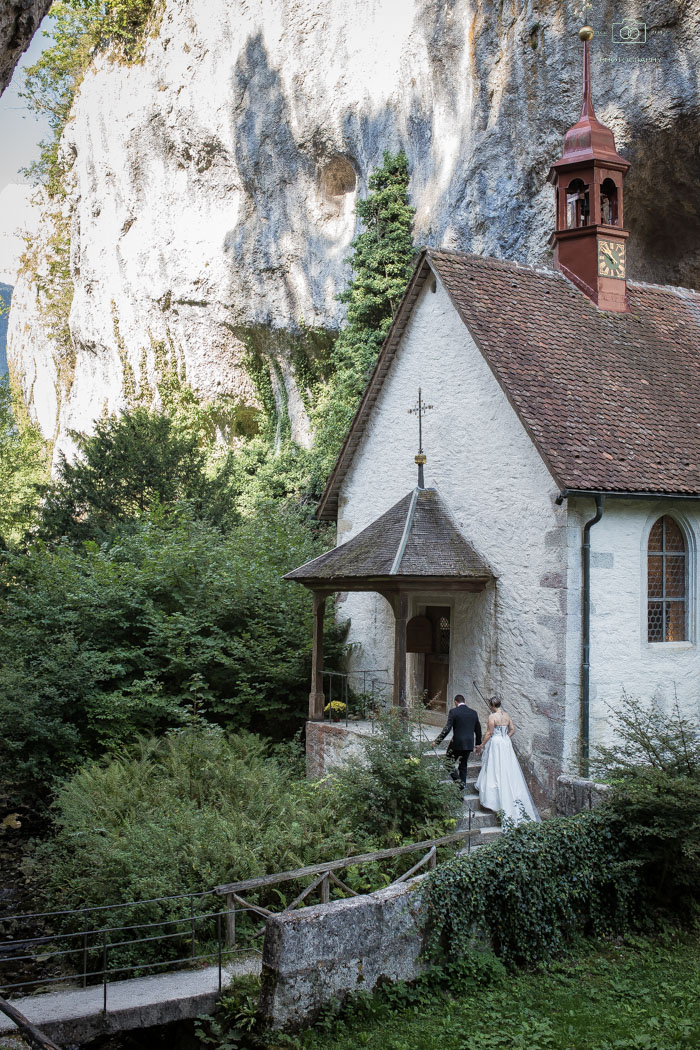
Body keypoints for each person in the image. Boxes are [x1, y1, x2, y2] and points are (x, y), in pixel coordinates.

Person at [475, 697, 540, 824]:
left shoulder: (492, 716)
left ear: (492, 706)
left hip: (496, 743)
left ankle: (494, 801)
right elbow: (513, 729)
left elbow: (489, 733)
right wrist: (506, 737)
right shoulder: (507, 715)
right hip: (505, 742)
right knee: (507, 767)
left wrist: (481, 745)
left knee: (495, 768)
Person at [432, 694, 482, 789]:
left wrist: (437, 741)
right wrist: (478, 744)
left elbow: (447, 729)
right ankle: (461, 791)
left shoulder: (454, 712)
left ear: (456, 702)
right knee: (463, 766)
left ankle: (459, 783)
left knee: (448, 762)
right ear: (465, 701)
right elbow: (478, 730)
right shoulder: (473, 713)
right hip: (468, 743)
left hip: (457, 743)